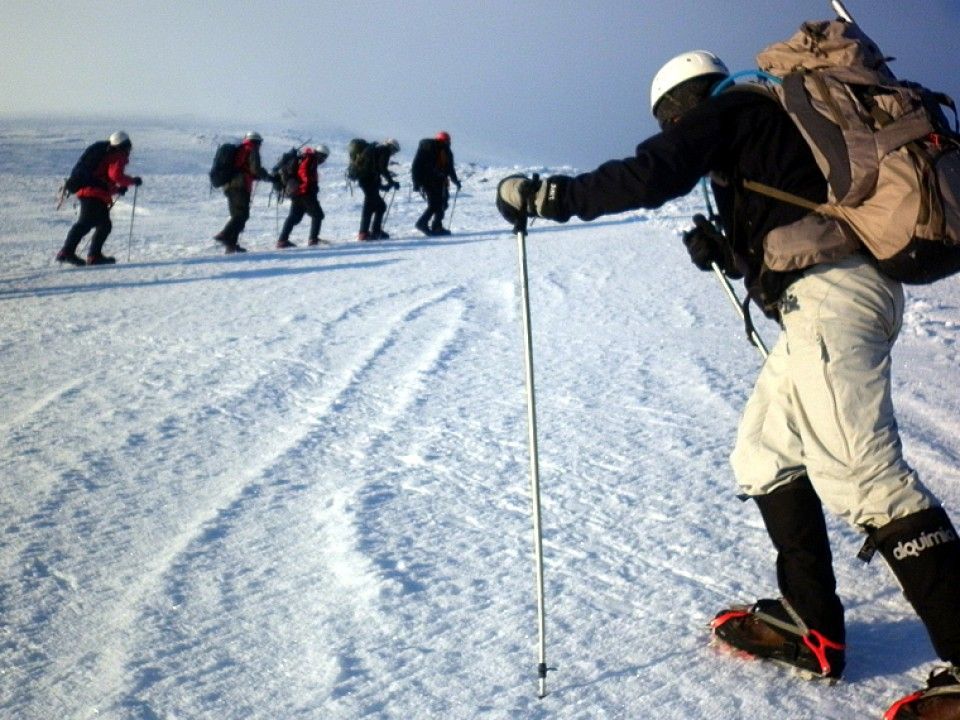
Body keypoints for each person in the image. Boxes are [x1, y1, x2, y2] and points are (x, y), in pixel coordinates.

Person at [496, 50, 960, 719]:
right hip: (829, 297)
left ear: (679, 104)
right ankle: (811, 623)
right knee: (765, 451)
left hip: (835, 298)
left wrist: (553, 198)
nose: (674, 124)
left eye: (670, 116)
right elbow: (800, 218)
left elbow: (652, 172)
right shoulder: (773, 120)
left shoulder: (737, 106)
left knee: (866, 477)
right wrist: (729, 253)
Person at [56, 131, 142, 266]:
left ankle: (92, 256)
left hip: (88, 191)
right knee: (86, 223)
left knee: (103, 224)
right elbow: (115, 176)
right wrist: (132, 181)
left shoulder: (105, 152)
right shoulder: (118, 154)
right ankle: (68, 252)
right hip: (93, 193)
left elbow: (102, 178)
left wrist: (117, 189)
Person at [214, 131, 272, 254]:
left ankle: (231, 245)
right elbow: (255, 169)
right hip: (240, 186)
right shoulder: (251, 148)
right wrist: (268, 177)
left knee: (237, 215)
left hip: (229, 186)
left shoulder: (240, 149)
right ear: (257, 141)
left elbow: (245, 168)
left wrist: (255, 176)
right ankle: (224, 234)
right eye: (260, 142)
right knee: (242, 215)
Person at [276, 144, 329, 248]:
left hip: (297, 192)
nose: (323, 160)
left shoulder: (305, 157)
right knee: (318, 215)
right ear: (320, 154)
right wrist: (308, 186)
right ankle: (313, 239)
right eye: (324, 157)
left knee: (294, 217)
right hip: (305, 193)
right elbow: (303, 172)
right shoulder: (311, 158)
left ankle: (282, 240)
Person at [412, 131, 461, 236]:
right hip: (429, 181)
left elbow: (449, 168)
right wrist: (416, 182)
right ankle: (422, 224)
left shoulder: (445, 151)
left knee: (441, 204)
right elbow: (417, 165)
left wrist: (455, 180)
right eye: (447, 140)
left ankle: (436, 226)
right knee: (435, 204)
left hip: (438, 181)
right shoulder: (431, 148)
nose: (448, 142)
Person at [357, 139, 400, 241]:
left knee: (377, 206)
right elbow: (382, 168)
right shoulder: (385, 150)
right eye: (394, 150)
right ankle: (366, 232)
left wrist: (383, 186)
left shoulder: (377, 150)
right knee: (376, 206)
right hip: (368, 180)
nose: (393, 153)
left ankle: (370, 231)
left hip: (366, 180)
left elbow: (375, 168)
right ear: (391, 147)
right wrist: (391, 182)